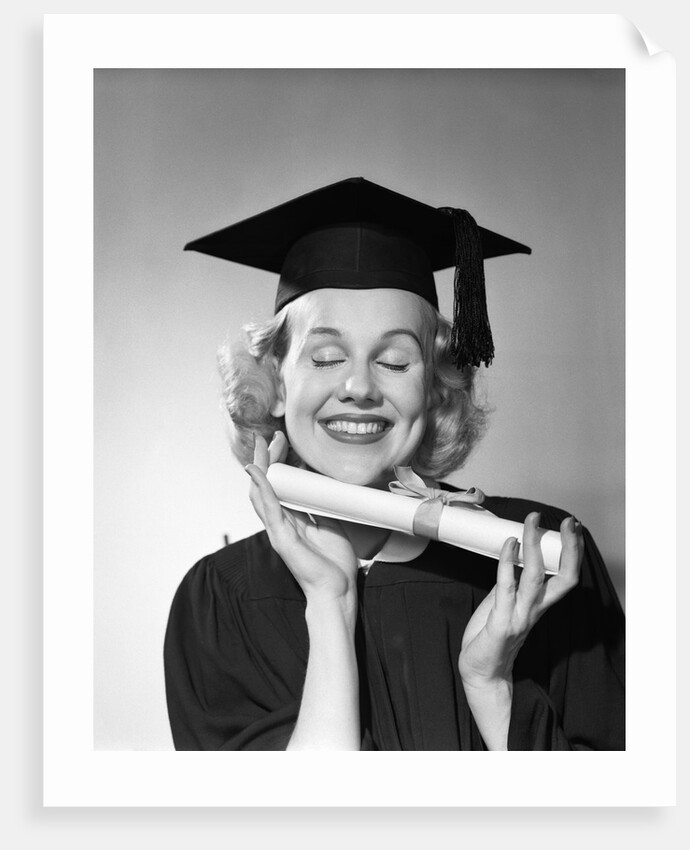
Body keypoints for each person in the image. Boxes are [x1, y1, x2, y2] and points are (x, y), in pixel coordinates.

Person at [164, 177, 625, 751]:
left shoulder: (538, 565)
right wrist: (330, 607)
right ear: (276, 382)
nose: (358, 386)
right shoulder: (219, 600)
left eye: (395, 361)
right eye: (326, 357)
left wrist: (492, 686)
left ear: (435, 390)